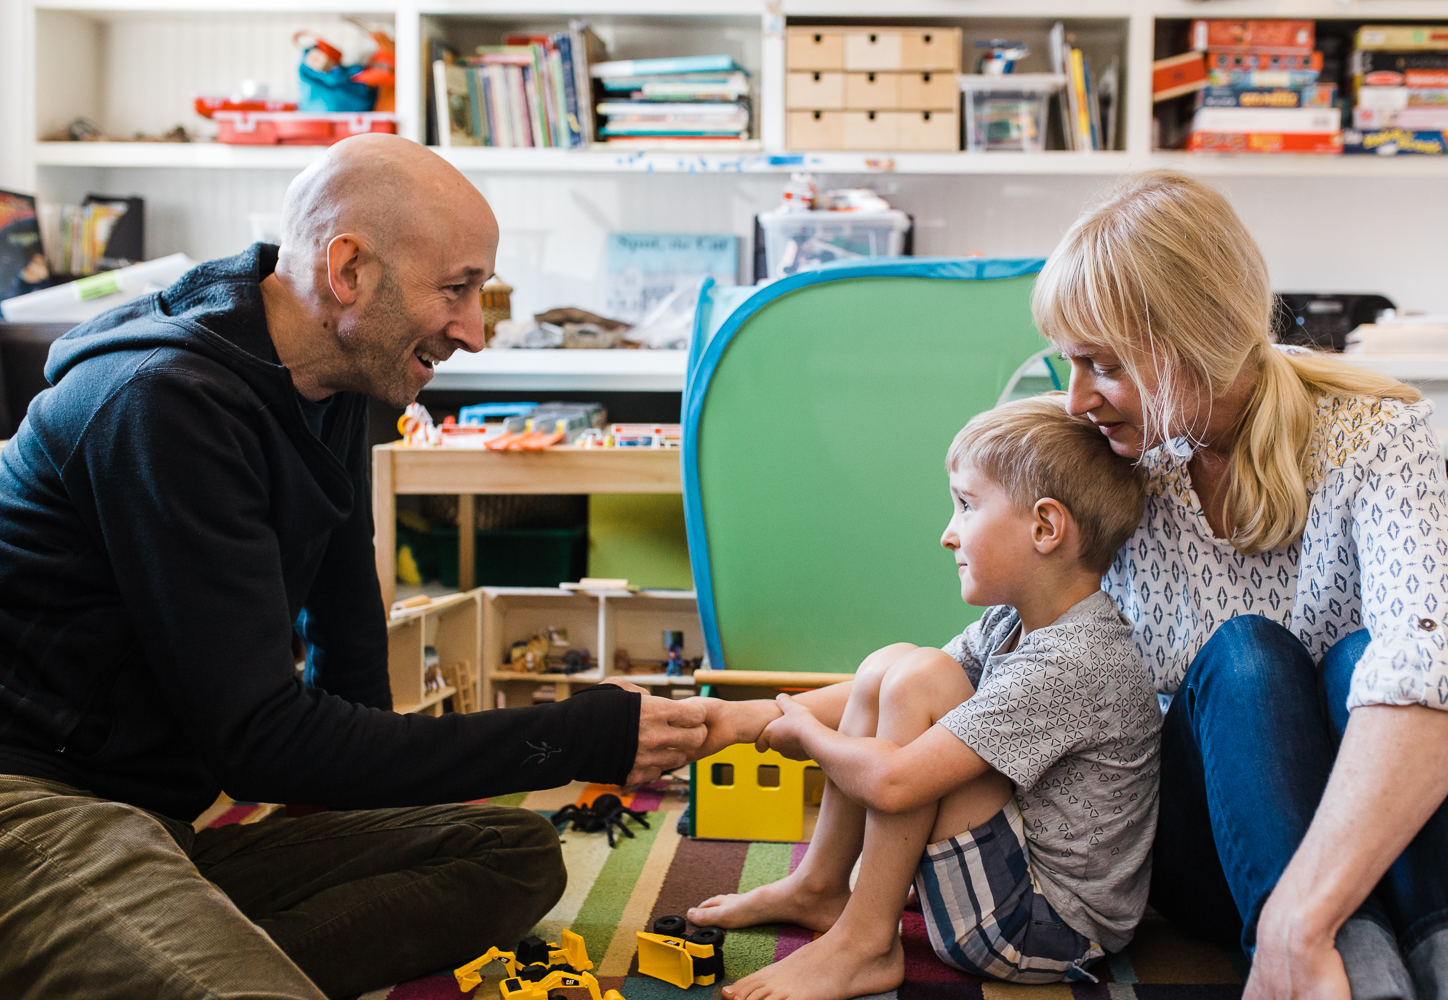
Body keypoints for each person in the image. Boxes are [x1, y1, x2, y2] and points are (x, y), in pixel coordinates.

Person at [0, 134, 708, 1000]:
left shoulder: (326, 378)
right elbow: (262, 744)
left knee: (511, 855)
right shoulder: (162, 402)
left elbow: (345, 635)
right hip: (29, 808)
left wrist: (369, 814)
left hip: (152, 825)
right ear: (349, 271)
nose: (474, 332)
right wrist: (582, 731)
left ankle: (137, 955)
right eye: (456, 289)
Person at [1032, 169, 1448, 1000]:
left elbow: (1443, 667)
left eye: (1100, 365)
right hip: (1210, 852)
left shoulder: (1374, 434)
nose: (1076, 399)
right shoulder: (1118, 462)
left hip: (1374, 841)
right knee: (1248, 655)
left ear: (1188, 341)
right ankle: (1341, 961)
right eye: (1068, 364)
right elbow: (1010, 636)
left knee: (1379, 658)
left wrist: (1302, 911)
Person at [684, 396, 1161, 1000]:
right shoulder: (1013, 623)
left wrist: (806, 734)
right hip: (1010, 886)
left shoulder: (1075, 659)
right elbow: (879, 687)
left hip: (1044, 929)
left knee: (922, 678)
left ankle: (865, 942)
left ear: (1045, 527)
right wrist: (750, 716)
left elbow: (894, 784)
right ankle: (821, 886)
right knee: (895, 664)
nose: (948, 533)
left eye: (966, 505)